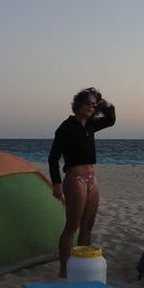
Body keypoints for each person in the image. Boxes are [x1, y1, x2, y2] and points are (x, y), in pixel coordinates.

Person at [48, 87, 116, 277]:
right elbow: (53, 158)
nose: (91, 108)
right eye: (88, 104)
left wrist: (103, 103)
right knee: (72, 226)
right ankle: (63, 271)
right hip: (74, 178)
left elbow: (110, 119)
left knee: (88, 225)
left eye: (94, 105)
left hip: (91, 178)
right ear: (77, 104)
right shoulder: (66, 127)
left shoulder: (91, 125)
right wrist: (56, 183)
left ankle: (81, 268)